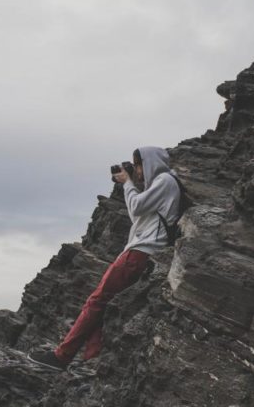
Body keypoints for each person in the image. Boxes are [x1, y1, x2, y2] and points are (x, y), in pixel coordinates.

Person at [27, 146, 182, 371]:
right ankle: (92, 359)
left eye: (138, 165)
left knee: (96, 301)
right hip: (141, 253)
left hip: (139, 252)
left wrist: (127, 183)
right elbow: (139, 210)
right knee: (104, 304)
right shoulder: (163, 185)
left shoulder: (165, 181)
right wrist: (131, 183)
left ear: (148, 163)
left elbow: (136, 207)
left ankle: (61, 356)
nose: (138, 171)